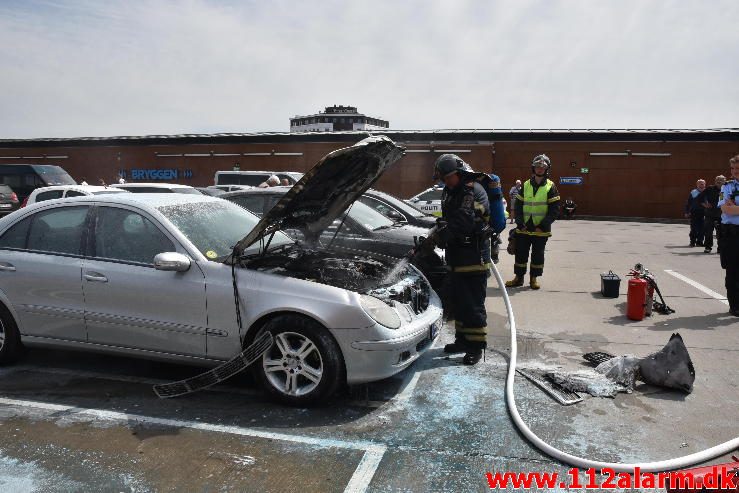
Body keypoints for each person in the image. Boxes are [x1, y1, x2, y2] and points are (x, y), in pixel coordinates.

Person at [432, 154, 492, 365]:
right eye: (443, 178)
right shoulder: (451, 191)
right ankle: (462, 341)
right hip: (457, 258)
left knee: (473, 305)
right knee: (459, 303)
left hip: (474, 258)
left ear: (459, 173)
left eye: (448, 177)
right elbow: (450, 218)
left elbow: (466, 222)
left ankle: (476, 347)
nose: (445, 182)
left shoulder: (472, 190)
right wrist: (441, 227)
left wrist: (447, 232)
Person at [506, 154, 561, 290]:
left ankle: (533, 279)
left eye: (543, 167)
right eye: (537, 166)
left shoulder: (551, 186)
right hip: (524, 228)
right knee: (520, 254)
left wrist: (542, 226)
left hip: (540, 230)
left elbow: (554, 210)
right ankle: (518, 278)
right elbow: (518, 206)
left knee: (537, 255)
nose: (540, 169)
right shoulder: (525, 185)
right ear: (533, 168)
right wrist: (519, 223)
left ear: (547, 169)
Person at [718, 155, 739, 316]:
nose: (734, 172)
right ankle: (735, 305)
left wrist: (735, 207)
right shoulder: (727, 187)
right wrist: (732, 208)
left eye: (737, 168)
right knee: (732, 271)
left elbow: (733, 209)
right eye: (732, 168)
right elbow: (726, 209)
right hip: (731, 234)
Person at [699, 175, 726, 253]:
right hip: (709, 214)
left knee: (721, 232)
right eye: (717, 180)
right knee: (708, 231)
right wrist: (705, 204)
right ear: (715, 181)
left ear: (724, 182)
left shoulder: (725, 190)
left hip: (721, 214)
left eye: (721, 180)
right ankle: (708, 247)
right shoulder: (710, 188)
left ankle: (720, 248)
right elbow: (700, 198)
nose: (719, 182)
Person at [685, 179, 706, 247]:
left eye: (702, 184)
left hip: (704, 213)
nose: (701, 185)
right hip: (694, 212)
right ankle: (692, 241)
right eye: (700, 184)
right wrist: (687, 211)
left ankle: (699, 242)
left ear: (705, 185)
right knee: (694, 228)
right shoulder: (693, 192)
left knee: (702, 228)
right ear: (697, 185)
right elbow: (688, 203)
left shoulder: (707, 192)